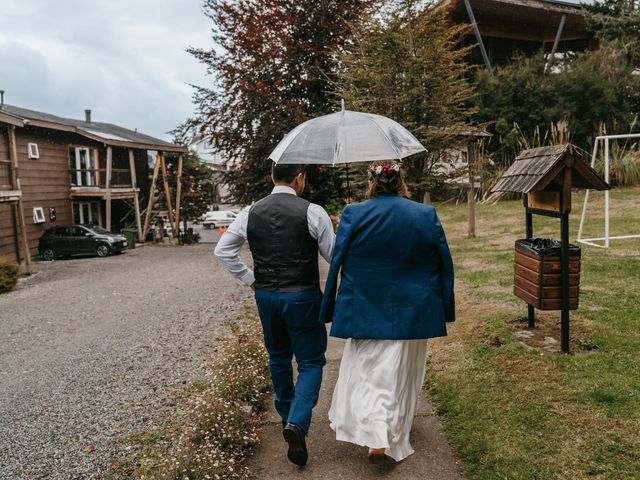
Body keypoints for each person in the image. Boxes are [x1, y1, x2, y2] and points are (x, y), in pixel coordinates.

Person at [319, 159, 455, 463]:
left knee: (368, 372)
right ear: (401, 181)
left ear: (371, 182)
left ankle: (377, 434)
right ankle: (386, 433)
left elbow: (337, 262)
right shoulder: (425, 214)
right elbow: (443, 262)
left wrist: (329, 305)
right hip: (414, 308)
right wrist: (443, 306)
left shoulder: (353, 214)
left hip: (365, 306)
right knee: (402, 373)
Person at [214, 162, 335, 467]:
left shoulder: (250, 212)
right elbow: (333, 255)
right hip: (303, 297)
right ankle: (297, 421)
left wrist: (250, 279)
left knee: (278, 356)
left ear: (272, 177)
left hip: (267, 296)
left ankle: (286, 419)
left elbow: (223, 251)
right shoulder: (313, 211)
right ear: (299, 178)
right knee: (310, 361)